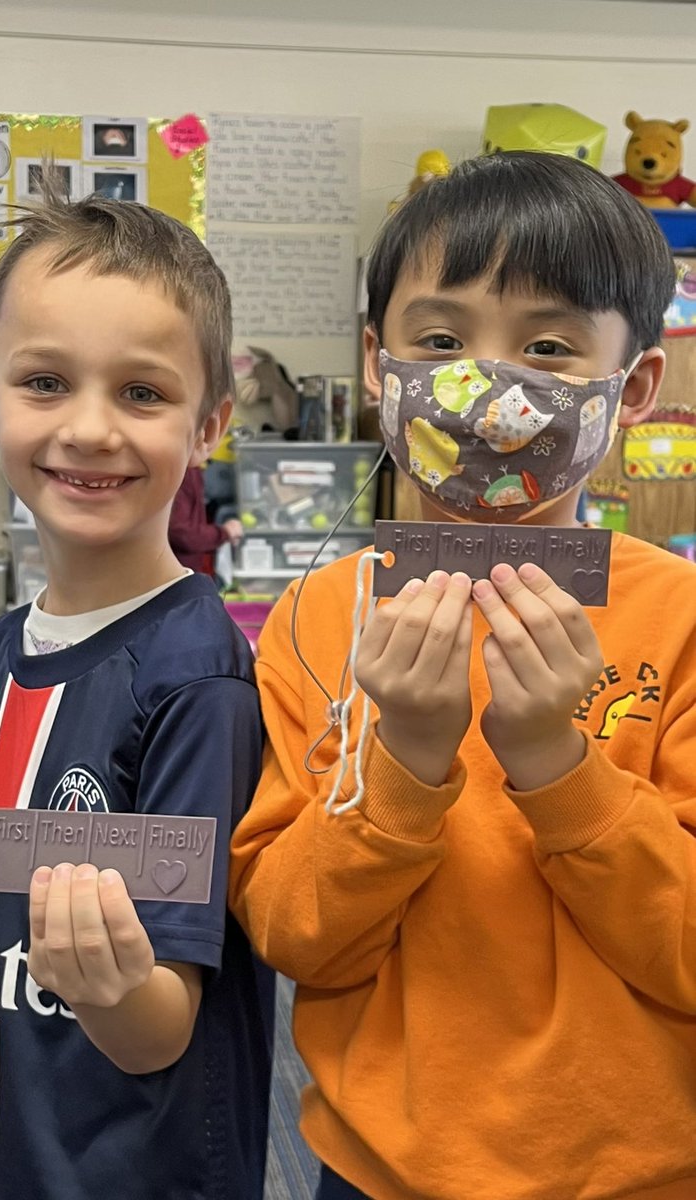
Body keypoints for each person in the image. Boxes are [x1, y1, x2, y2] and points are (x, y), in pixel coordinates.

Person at [229, 152, 696, 1200]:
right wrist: (401, 757)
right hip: (377, 1167)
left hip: (642, 1175)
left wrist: (554, 763)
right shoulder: (317, 617)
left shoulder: (678, 621)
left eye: (545, 346)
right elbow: (296, 934)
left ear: (633, 390)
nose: (485, 389)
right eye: (437, 342)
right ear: (374, 362)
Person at [0, 181, 274, 1200]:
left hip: (129, 1168)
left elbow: (160, 1026)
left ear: (208, 421)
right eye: (45, 382)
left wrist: (114, 981)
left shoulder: (195, 679)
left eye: (141, 392)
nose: (89, 429)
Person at [169, 463, 243, 577]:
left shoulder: (191, 468)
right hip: (174, 578)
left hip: (183, 575)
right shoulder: (182, 470)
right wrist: (225, 532)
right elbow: (182, 534)